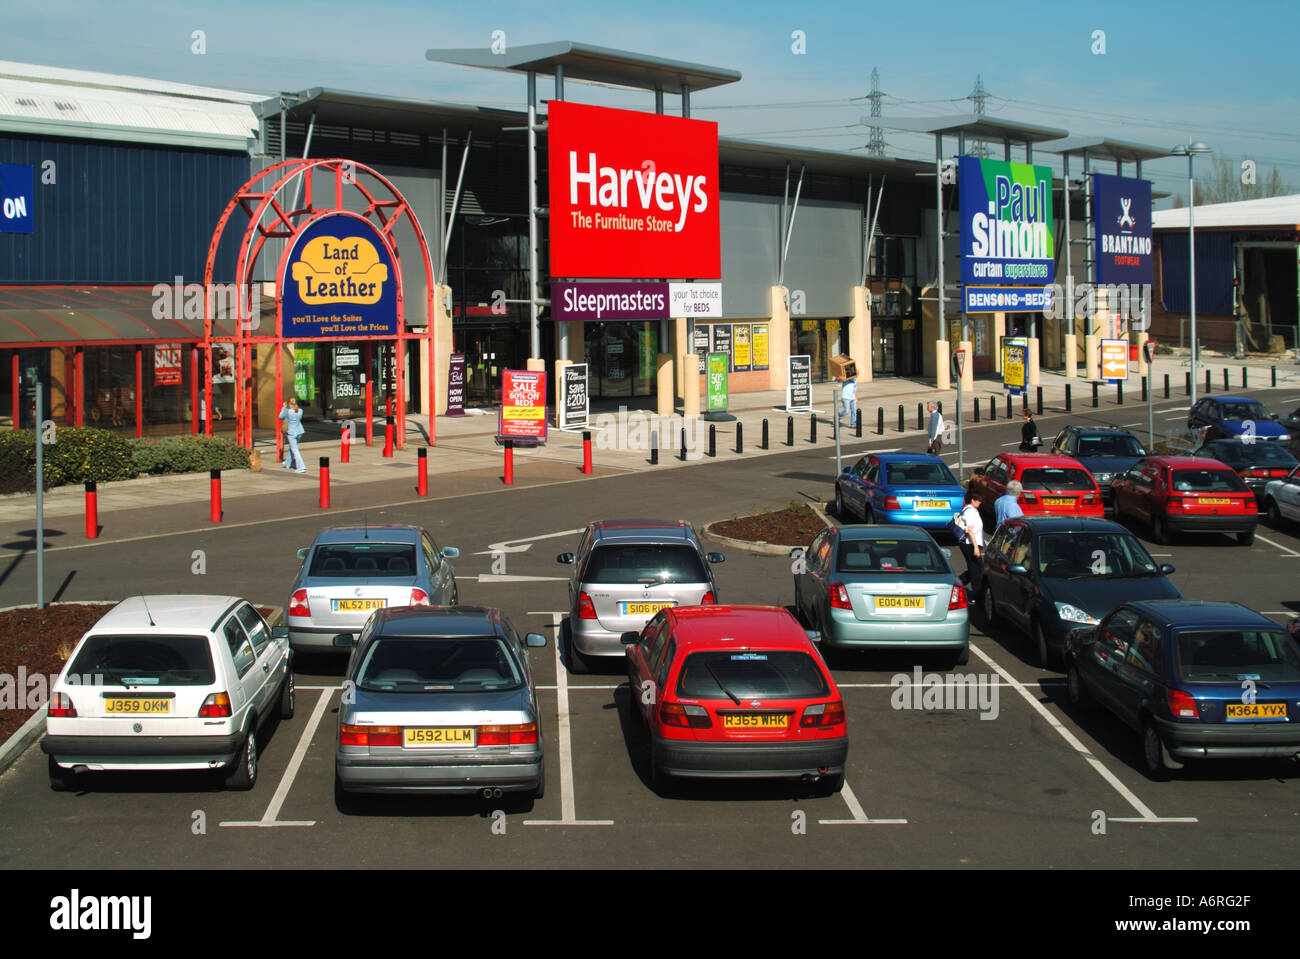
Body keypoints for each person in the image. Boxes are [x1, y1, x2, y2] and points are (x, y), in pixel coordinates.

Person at [952, 490, 986, 594]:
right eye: (979, 500)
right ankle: (976, 592)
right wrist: (976, 547)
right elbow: (970, 530)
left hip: (972, 543)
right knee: (976, 569)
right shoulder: (969, 511)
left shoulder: (973, 510)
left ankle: (957, 584)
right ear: (973, 500)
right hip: (969, 544)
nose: (980, 502)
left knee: (975, 568)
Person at [279, 396, 306, 473]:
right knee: (292, 447)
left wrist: (284, 408)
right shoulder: (300, 410)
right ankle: (287, 463)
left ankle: (301, 467)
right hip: (299, 431)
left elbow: (280, 417)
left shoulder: (287, 411)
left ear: (288, 402)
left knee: (295, 450)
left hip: (291, 433)